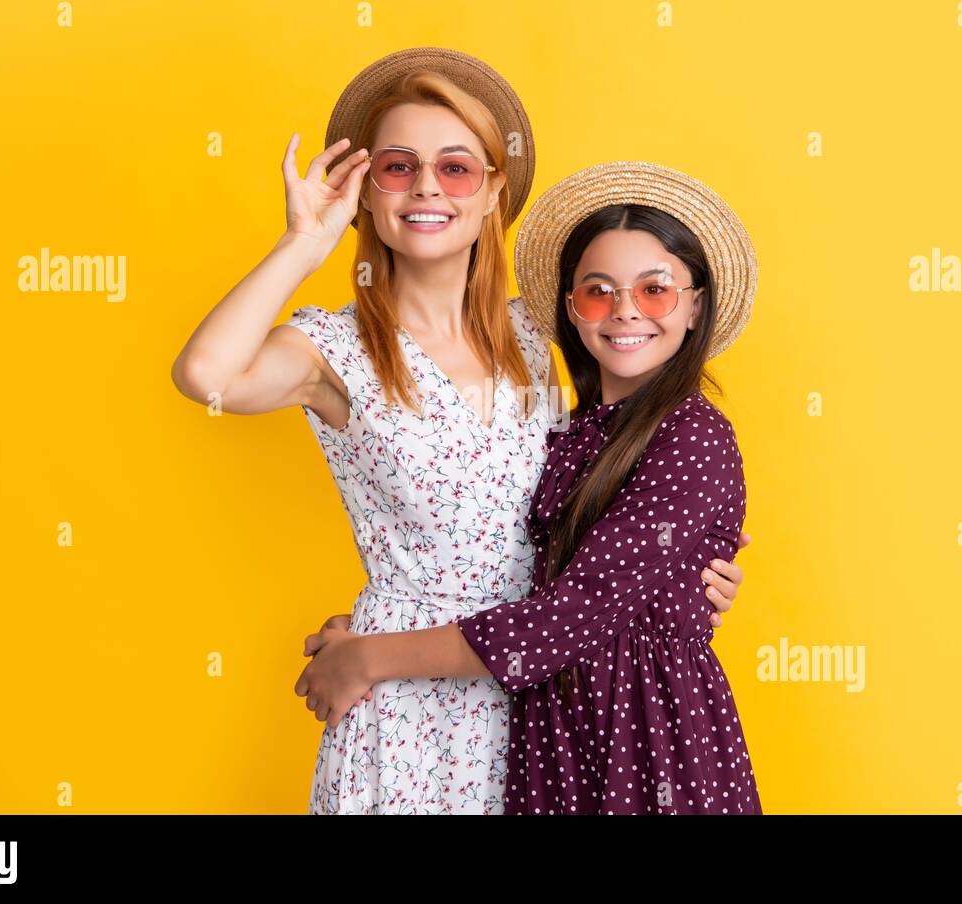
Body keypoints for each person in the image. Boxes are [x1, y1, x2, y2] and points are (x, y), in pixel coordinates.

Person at [172, 50, 747, 814]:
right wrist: (303, 245)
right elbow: (206, 377)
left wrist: (677, 586)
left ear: (493, 194)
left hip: (548, 691)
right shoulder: (333, 352)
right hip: (405, 702)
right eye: (398, 168)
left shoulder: (534, 335)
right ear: (367, 192)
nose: (427, 190)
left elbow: (611, 485)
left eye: (456, 169)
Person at [297, 160, 763, 814]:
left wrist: (370, 658)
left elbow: (563, 617)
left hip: (645, 739)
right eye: (599, 291)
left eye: (655, 290)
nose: (626, 310)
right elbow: (507, 556)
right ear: (571, 311)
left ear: (695, 306)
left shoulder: (692, 434)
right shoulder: (571, 432)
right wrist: (391, 615)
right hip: (554, 735)